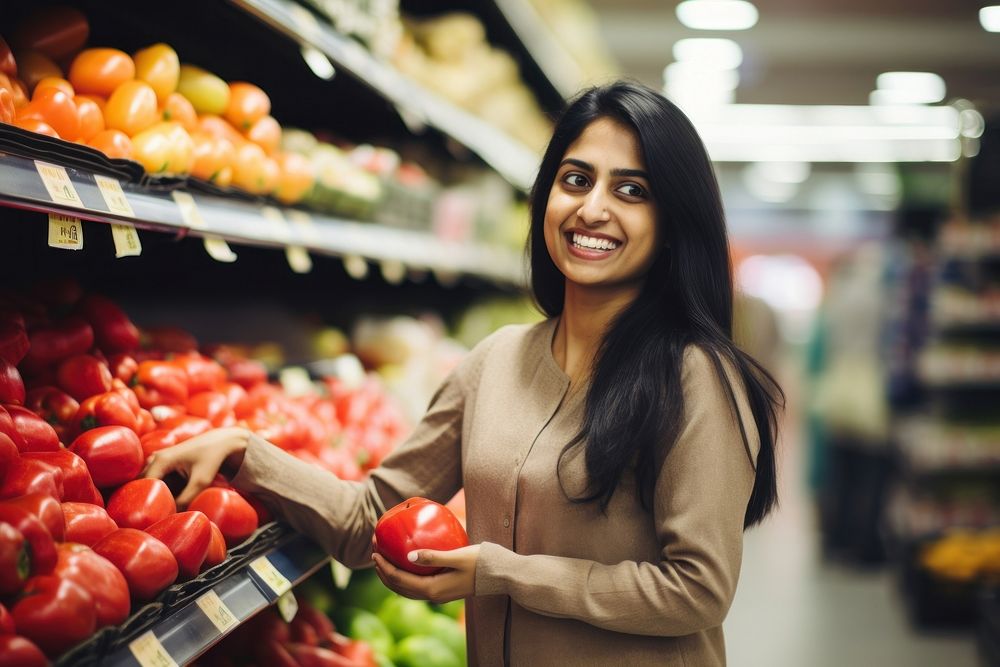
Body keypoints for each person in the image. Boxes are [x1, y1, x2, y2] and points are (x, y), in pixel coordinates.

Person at [145, 81, 783, 666]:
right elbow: (371, 519)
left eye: (631, 190)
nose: (592, 209)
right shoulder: (495, 362)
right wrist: (246, 452)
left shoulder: (696, 378)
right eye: (575, 179)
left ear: (673, 224)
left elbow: (697, 592)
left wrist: (500, 573)